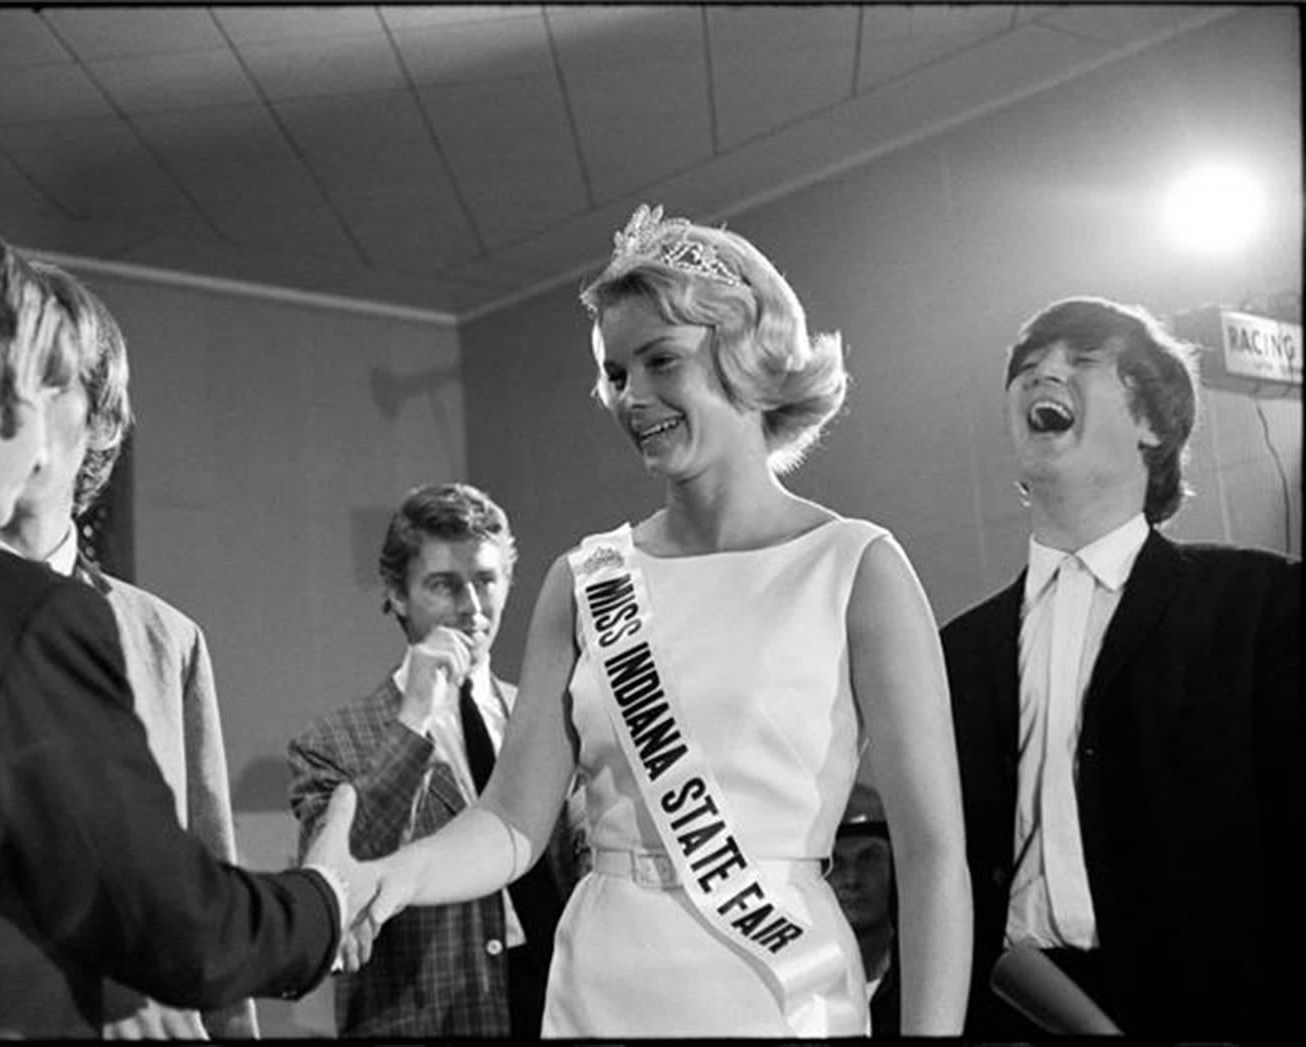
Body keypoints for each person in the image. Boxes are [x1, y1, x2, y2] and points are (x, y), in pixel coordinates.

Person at [358, 204, 972, 1036]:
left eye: (660, 361)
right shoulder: (584, 581)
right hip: (603, 985)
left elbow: (933, 852)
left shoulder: (856, 567)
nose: (631, 397)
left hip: (778, 989)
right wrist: (387, 878)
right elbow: (510, 822)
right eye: (616, 372)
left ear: (746, 354)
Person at [0, 216, 377, 1038]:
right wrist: (326, 896)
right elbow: (185, 929)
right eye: (34, 387)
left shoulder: (157, 636)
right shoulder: (13, 615)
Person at [941, 296, 1303, 1039]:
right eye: (1029, 366)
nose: (1043, 372)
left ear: (1152, 423)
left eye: (1080, 360)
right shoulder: (952, 650)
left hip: (1212, 1005)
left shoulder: (1258, 602)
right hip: (1003, 1015)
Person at [0, 262, 256, 1038]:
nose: (14, 410)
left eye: (46, 381)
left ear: (101, 420)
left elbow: (210, 899)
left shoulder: (169, 642)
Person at [288, 483, 580, 1037]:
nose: (471, 608)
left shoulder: (545, 715)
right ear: (398, 595)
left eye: (486, 581)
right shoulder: (330, 742)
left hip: (557, 1010)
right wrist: (415, 720)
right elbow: (337, 890)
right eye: (444, 586)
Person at [829, 782, 900, 1036]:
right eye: (835, 862)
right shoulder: (797, 987)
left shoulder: (926, 987)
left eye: (869, 857)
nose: (851, 878)